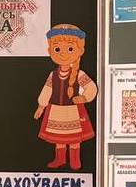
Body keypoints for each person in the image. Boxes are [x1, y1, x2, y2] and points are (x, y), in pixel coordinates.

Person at [34, 24, 97, 170]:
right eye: (57, 49)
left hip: (73, 111)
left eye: (70, 49)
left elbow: (91, 88)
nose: (63, 54)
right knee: (59, 138)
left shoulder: (80, 74)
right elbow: (47, 90)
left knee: (74, 138)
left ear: (80, 51)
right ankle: (60, 159)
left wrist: (84, 98)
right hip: (56, 110)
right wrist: (41, 106)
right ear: (50, 51)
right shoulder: (53, 75)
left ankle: (75, 160)